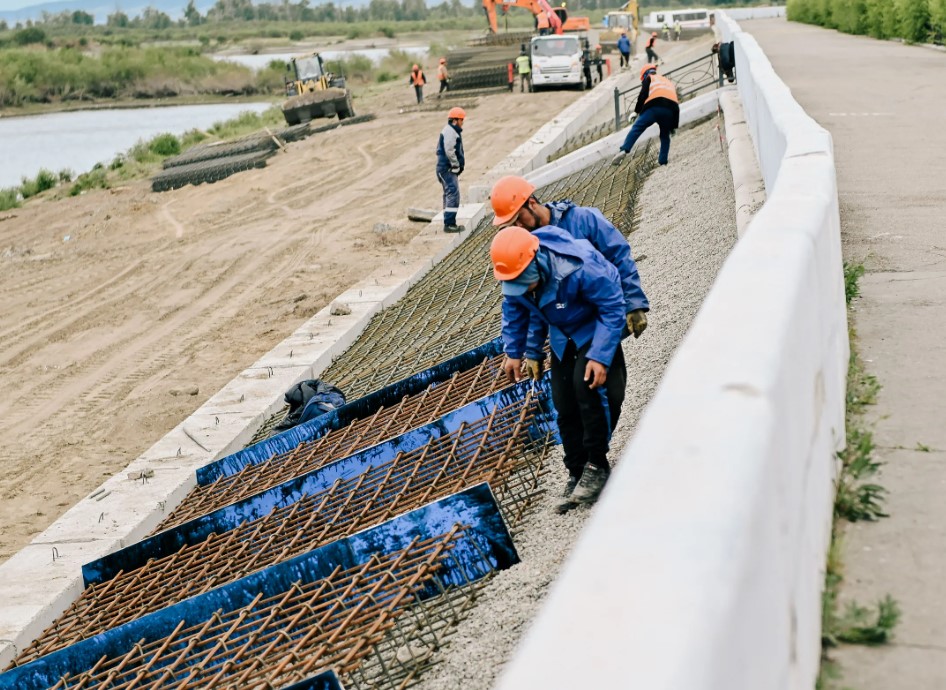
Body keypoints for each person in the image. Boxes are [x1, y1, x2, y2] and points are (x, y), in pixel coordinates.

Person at [491, 226, 627, 509]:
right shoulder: (520, 276)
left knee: (587, 388)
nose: (521, 290)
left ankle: (597, 465)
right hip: (562, 333)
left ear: (534, 264)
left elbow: (613, 305)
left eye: (523, 283)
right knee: (563, 402)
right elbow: (516, 309)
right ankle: (576, 470)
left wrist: (601, 356)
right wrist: (518, 352)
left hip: (592, 327)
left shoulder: (579, 267)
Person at [489, 175, 649, 338]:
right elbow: (520, 299)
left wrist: (633, 304)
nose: (519, 227)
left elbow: (619, 256)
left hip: (604, 313)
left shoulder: (583, 220)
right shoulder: (523, 246)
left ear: (531, 203)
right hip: (567, 330)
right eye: (511, 224)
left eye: (519, 219)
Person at [611, 64, 679, 167]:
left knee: (637, 128)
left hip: (653, 107)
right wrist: (673, 126)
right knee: (665, 136)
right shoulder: (667, 81)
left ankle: (624, 149)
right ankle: (663, 161)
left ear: (645, 74)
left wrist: (636, 111)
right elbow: (675, 103)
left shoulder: (649, 78)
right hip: (670, 110)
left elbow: (643, 95)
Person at [436, 107, 466, 233]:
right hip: (446, 169)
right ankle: (449, 224)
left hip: (447, 169)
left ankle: (449, 222)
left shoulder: (452, 130)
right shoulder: (450, 131)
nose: (462, 122)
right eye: (461, 120)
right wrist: (455, 165)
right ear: (455, 120)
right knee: (453, 194)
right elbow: (449, 150)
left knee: (450, 194)